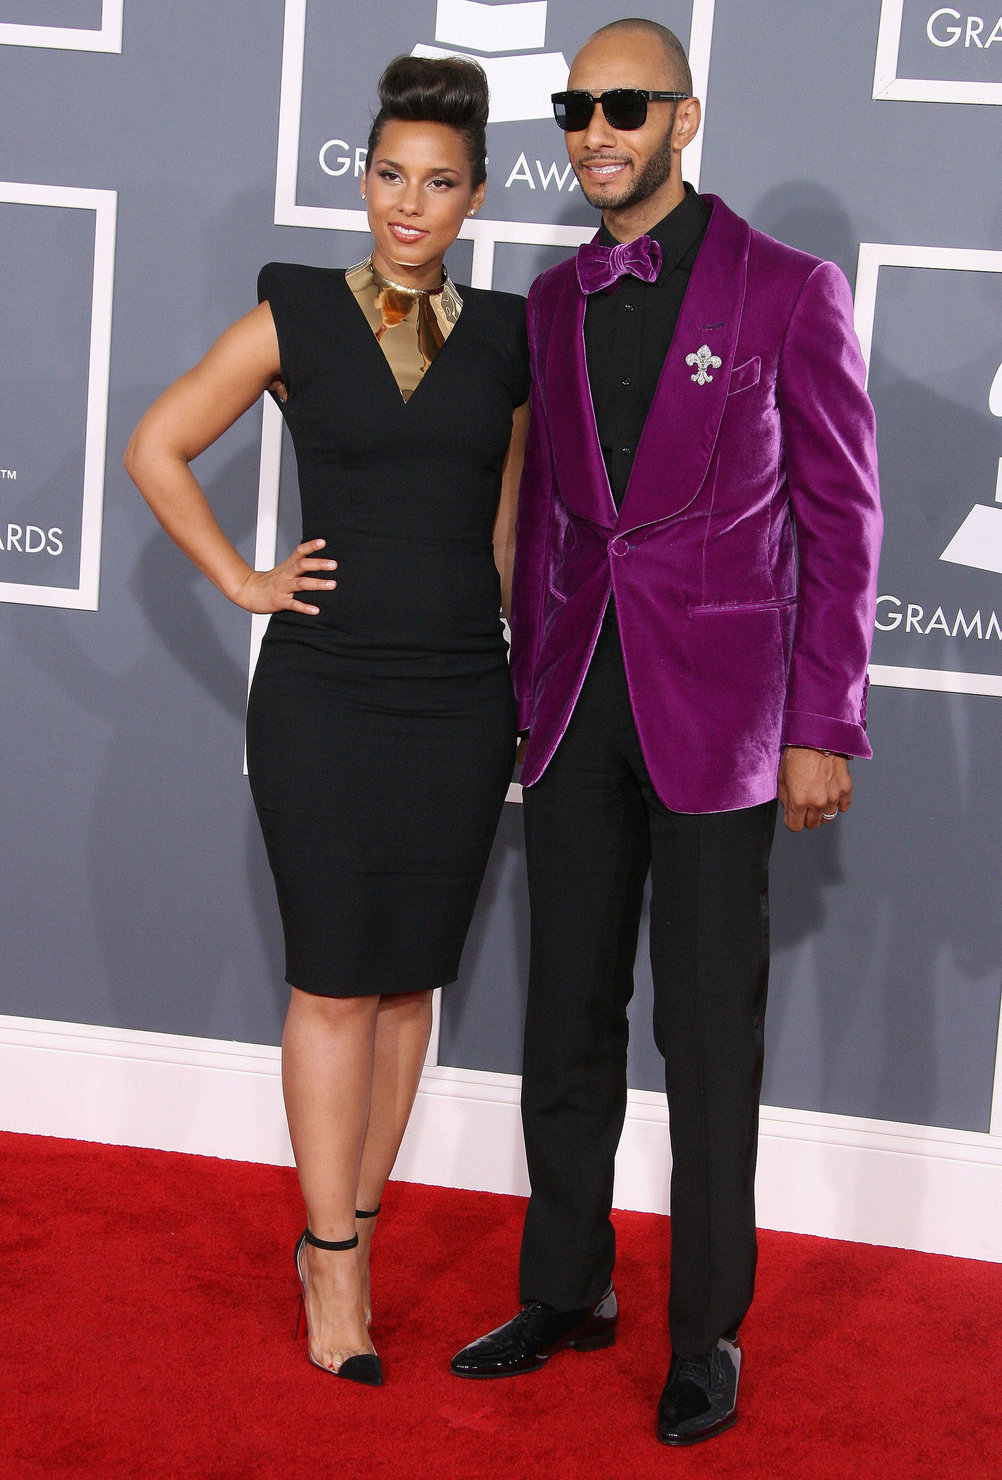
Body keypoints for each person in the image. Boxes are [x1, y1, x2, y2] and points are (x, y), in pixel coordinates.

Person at [450, 18, 882, 1445]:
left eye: (623, 105)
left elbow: (841, 524)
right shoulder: (555, 297)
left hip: (728, 723)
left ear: (682, 120)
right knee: (562, 1019)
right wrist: (529, 698)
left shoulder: (784, 290)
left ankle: (705, 1335)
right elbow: (559, 530)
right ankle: (566, 1288)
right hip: (576, 709)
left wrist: (822, 721)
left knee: (707, 1042)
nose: (593, 130)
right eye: (575, 107)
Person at [125, 55, 529, 1388]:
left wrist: (520, 671)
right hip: (326, 691)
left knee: (410, 977)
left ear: (474, 196)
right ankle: (331, 1264)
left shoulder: (512, 337)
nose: (407, 204)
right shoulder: (295, 310)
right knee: (331, 975)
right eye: (388, 176)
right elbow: (156, 443)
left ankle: (352, 1228)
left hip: (462, 692)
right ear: (361, 180)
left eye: (437, 183)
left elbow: (507, 528)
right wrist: (243, 582)